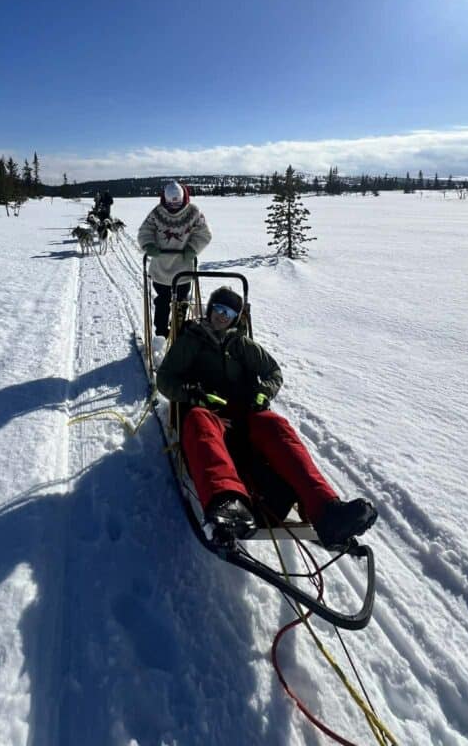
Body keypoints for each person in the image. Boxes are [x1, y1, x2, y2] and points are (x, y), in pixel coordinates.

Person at [156, 286, 378, 549]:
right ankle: (227, 505)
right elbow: (165, 380)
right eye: (218, 309)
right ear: (210, 309)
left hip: (244, 416)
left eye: (229, 312)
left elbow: (273, 371)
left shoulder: (242, 344)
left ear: (236, 317)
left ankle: (326, 509)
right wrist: (193, 394)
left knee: (274, 424)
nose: (222, 316)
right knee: (199, 421)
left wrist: (263, 394)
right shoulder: (191, 340)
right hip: (207, 412)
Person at [138, 182, 212, 352]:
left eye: (177, 203)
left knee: (181, 303)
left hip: (184, 268)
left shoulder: (194, 212)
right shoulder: (157, 213)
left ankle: (178, 332)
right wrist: (148, 244)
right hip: (161, 268)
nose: (174, 207)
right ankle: (161, 335)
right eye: (171, 203)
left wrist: (193, 248)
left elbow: (204, 233)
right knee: (163, 303)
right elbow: (145, 231)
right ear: (164, 199)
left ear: (183, 198)